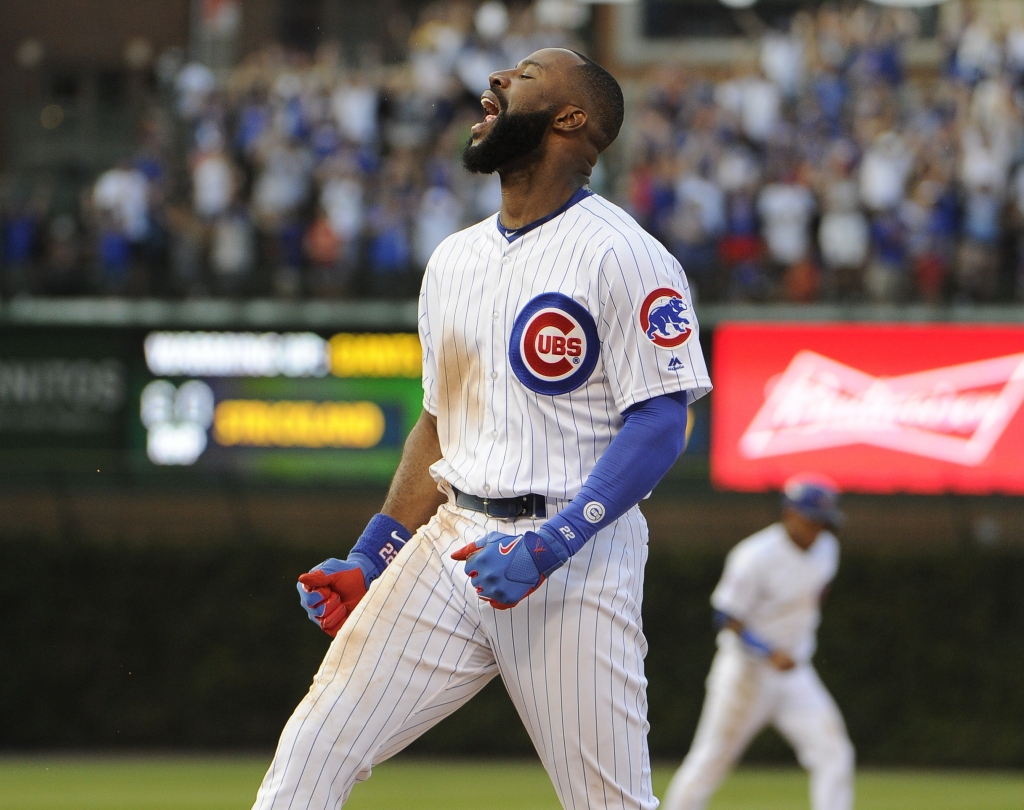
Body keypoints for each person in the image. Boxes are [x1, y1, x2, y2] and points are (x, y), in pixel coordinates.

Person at [251, 48, 711, 810]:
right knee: (308, 757)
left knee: (610, 805)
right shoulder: (453, 259)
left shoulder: (627, 255)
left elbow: (663, 420)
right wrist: (372, 557)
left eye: (524, 75)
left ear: (572, 120)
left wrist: (553, 542)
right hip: (451, 542)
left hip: (573, 558)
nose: (497, 80)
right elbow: (438, 426)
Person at [661, 473, 855, 810]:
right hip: (745, 674)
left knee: (834, 753)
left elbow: (813, 598)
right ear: (789, 514)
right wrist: (768, 650)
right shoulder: (755, 555)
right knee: (710, 761)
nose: (818, 530)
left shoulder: (827, 549)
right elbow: (725, 616)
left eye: (824, 523)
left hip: (795, 673)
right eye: (813, 521)